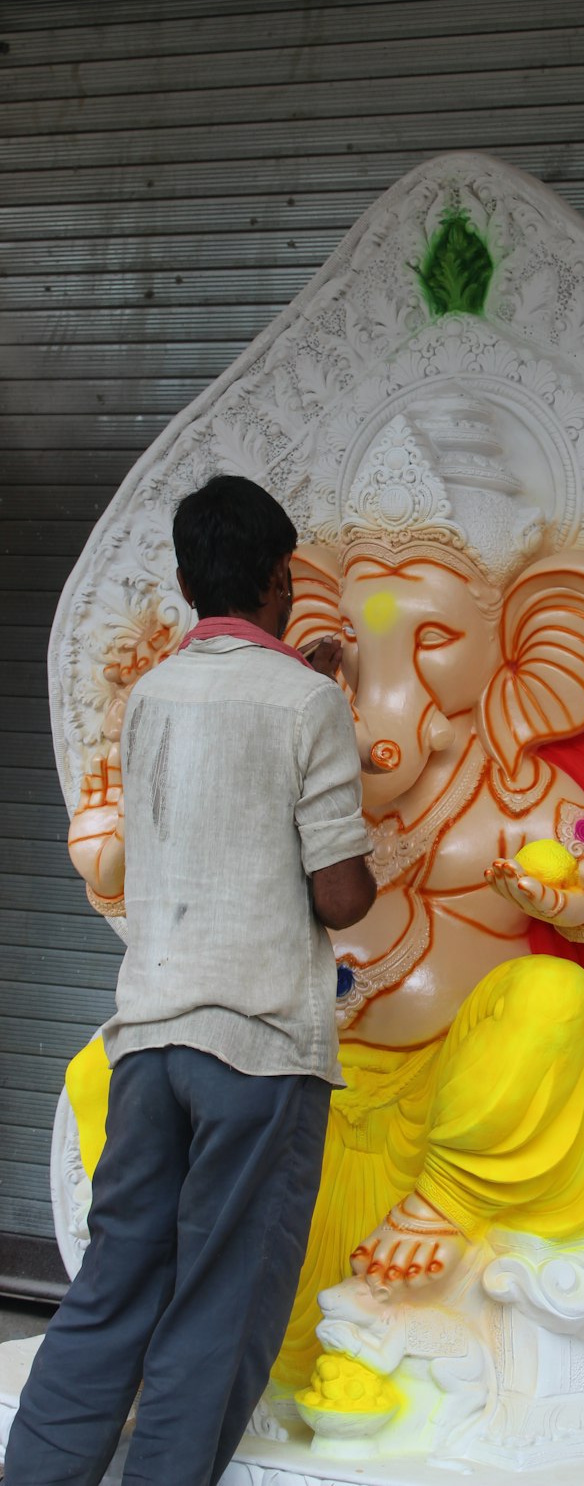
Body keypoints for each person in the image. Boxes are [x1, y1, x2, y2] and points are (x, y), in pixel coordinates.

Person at [3, 474, 375, 1486]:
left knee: (112, 1289)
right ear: (281, 579)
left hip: (151, 1040)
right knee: (221, 1306)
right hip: (255, 1051)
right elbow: (341, 897)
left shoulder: (153, 696)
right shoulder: (308, 705)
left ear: (183, 581)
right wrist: (329, 717)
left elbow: (219, 780)